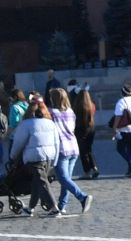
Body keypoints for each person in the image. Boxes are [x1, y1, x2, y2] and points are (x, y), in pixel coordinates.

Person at [6, 99, 62, 215]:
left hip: (34, 157)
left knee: (41, 182)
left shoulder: (26, 124)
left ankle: (54, 208)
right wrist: (55, 160)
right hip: (49, 156)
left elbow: (18, 143)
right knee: (37, 181)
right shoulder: (51, 123)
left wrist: (12, 156)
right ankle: (31, 207)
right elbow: (57, 142)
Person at [48, 86, 93, 215]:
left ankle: (82, 197)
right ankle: (61, 206)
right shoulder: (70, 112)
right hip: (73, 147)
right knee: (66, 179)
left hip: (61, 148)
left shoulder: (52, 113)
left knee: (63, 179)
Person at [112, 83, 131, 177]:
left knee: (120, 148)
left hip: (124, 129)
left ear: (122, 93)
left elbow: (118, 116)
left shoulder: (121, 101)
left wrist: (114, 128)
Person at [73, 87, 101, 179]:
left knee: (82, 152)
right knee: (89, 150)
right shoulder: (91, 105)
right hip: (91, 128)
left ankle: (87, 171)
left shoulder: (78, 106)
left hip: (80, 129)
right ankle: (94, 167)